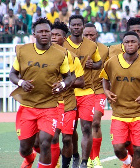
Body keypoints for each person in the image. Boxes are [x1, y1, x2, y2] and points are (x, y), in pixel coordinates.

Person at [9, 17, 72, 168]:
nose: (44, 34)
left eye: (47, 31)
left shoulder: (60, 55)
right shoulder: (23, 51)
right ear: (34, 33)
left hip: (50, 106)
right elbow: (12, 74)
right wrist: (21, 82)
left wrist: (62, 84)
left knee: (45, 143)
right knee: (25, 148)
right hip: (28, 106)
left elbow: (69, 77)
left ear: (51, 33)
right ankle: (29, 158)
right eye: (40, 31)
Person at [99, 31, 140, 168]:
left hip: (139, 114)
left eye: (133, 42)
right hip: (119, 113)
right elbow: (105, 77)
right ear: (123, 45)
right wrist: (106, 90)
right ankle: (127, 162)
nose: (130, 44)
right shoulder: (112, 62)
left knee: (139, 149)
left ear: (139, 44)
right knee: (118, 148)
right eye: (127, 42)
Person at [63, 14, 102, 168]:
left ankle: (84, 163)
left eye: (79, 25)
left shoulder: (92, 46)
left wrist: (94, 64)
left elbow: (99, 63)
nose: (77, 27)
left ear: (83, 26)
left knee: (87, 127)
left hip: (87, 92)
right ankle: (75, 155)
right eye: (74, 25)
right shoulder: (63, 45)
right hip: (69, 93)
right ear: (70, 26)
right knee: (70, 130)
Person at [50, 21, 85, 168]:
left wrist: (64, 84)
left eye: (57, 35)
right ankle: (52, 163)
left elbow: (81, 82)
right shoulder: (42, 55)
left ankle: (66, 165)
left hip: (68, 103)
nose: (53, 37)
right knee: (51, 137)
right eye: (52, 34)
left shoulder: (71, 57)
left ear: (65, 38)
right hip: (49, 103)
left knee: (66, 138)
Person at [83, 23, 109, 168]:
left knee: (95, 121)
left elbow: (109, 68)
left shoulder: (104, 50)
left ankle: (95, 158)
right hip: (80, 91)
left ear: (97, 34)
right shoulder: (77, 49)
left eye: (91, 35)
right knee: (79, 127)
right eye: (86, 35)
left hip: (98, 90)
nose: (88, 37)